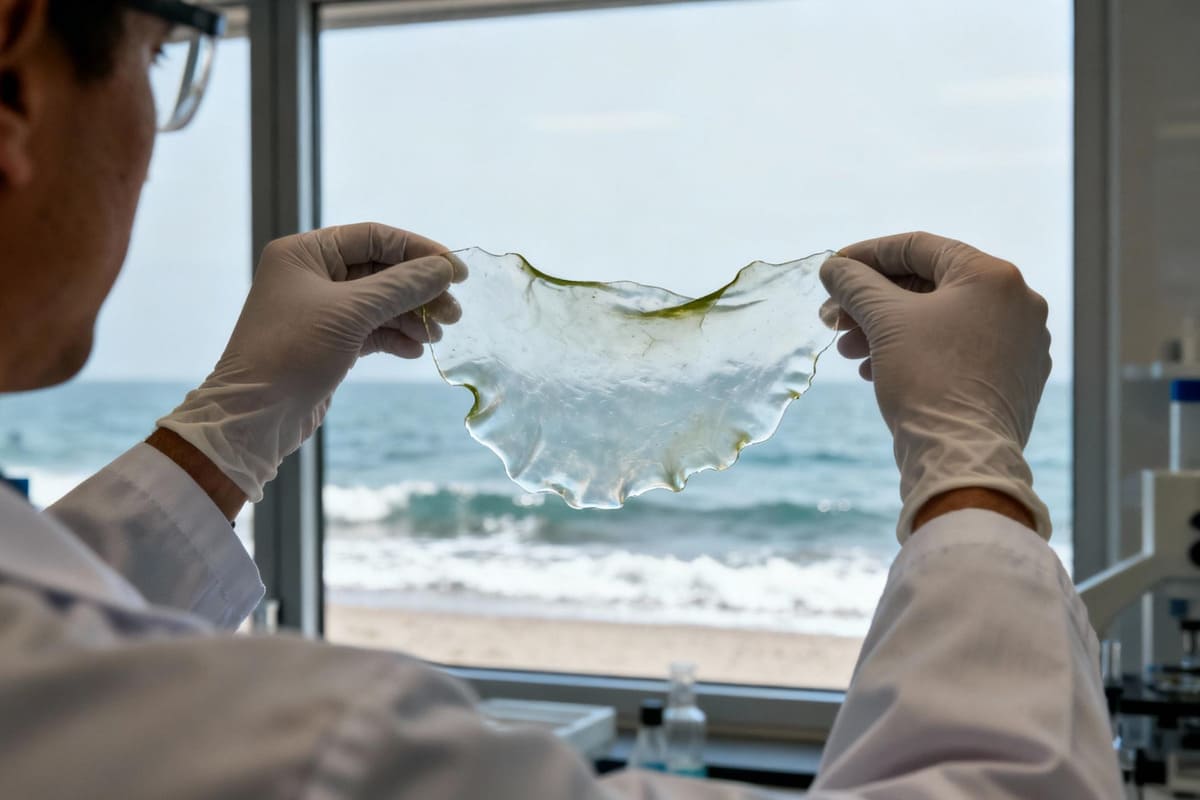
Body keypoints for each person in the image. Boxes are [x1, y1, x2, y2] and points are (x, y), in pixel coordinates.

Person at [0, 0, 1124, 797]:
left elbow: (56, 634)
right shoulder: (304, 751)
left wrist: (217, 439)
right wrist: (975, 473)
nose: (153, 130)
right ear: (15, 52)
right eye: (162, 53)